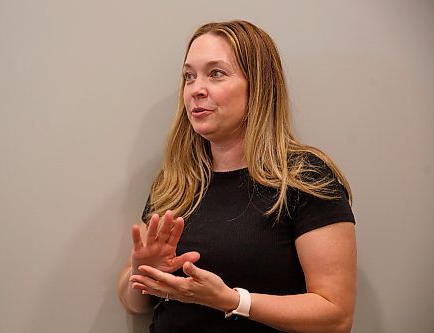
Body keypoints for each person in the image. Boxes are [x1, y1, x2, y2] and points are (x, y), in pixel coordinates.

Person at [117, 20, 356, 333]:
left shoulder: (303, 177)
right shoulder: (177, 181)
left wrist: (232, 301)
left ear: (257, 86)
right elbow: (133, 303)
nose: (196, 89)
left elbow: (335, 316)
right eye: (189, 76)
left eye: (216, 73)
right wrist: (143, 272)